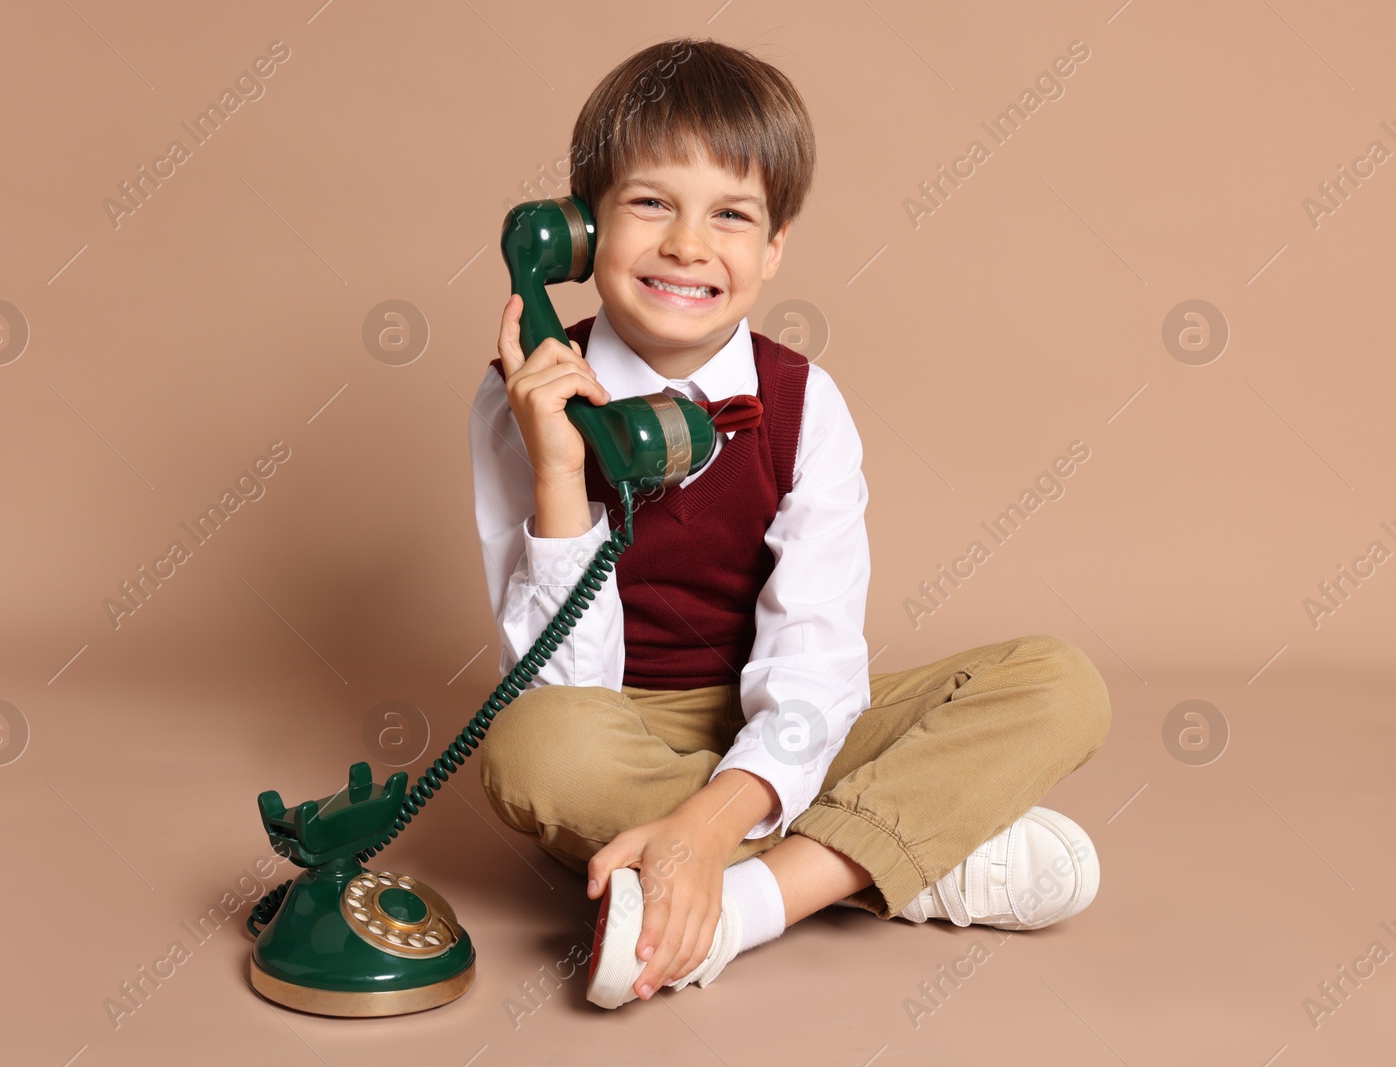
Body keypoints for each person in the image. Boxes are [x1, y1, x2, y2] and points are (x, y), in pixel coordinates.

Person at [468, 36, 1111, 1011]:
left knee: (1057, 682)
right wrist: (562, 470)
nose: (689, 245)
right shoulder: (518, 398)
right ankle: (894, 852)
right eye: (650, 203)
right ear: (578, 230)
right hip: (619, 727)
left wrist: (714, 816)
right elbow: (562, 685)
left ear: (772, 249)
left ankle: (740, 901)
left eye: (731, 215)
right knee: (531, 748)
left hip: (780, 717)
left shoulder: (805, 403)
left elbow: (813, 666)